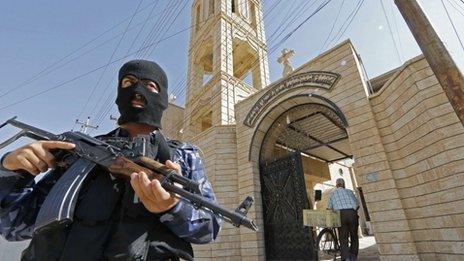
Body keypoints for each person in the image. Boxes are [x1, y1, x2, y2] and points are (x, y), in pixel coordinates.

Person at [0, 59, 221, 261]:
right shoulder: (77, 150)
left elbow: (210, 228)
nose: (137, 91)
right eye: (128, 82)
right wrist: (11, 171)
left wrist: (174, 207)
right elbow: (13, 225)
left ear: (162, 98)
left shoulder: (183, 156)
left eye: (149, 85)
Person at [327, 178, 359, 261]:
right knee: (354, 236)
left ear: (336, 185)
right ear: (343, 184)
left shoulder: (332, 193)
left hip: (340, 215)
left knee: (343, 237)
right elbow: (357, 204)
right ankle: (353, 256)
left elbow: (329, 208)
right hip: (352, 213)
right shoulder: (349, 191)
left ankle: (346, 258)